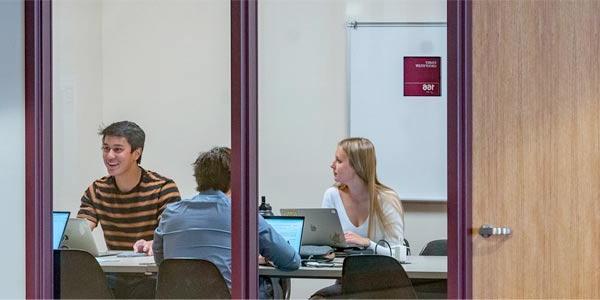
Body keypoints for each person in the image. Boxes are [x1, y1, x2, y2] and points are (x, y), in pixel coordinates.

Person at [153, 147, 300, 299]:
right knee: (270, 283)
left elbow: (161, 260)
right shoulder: (242, 213)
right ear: (233, 178)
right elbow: (291, 261)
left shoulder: (170, 213)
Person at [77, 120, 181, 298]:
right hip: (113, 276)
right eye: (105, 148)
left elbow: (173, 235)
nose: (109, 156)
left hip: (151, 277)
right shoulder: (97, 189)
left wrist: (152, 243)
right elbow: (81, 229)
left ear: (136, 153)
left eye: (117, 149)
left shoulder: (163, 188)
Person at [312, 137, 405, 298]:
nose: (332, 165)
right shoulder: (332, 195)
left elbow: (399, 254)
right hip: (346, 283)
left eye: (339, 160)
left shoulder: (387, 199)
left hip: (384, 286)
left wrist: (368, 243)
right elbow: (324, 244)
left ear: (357, 166)